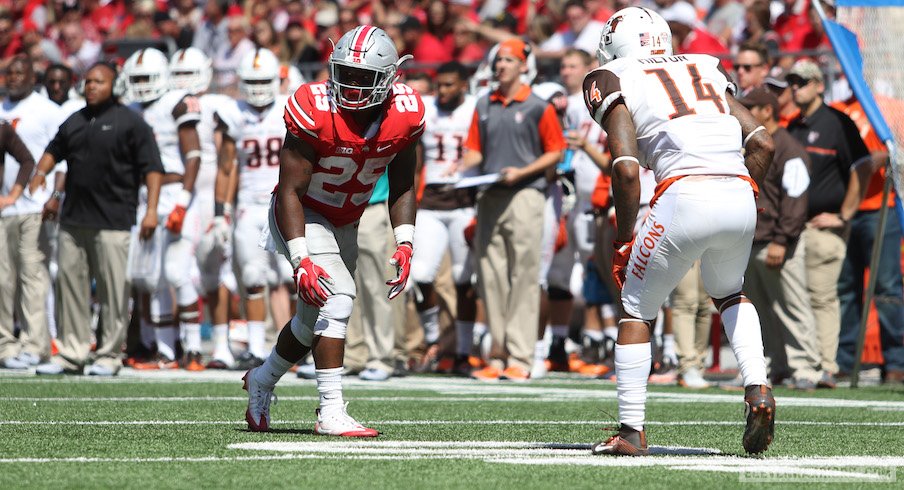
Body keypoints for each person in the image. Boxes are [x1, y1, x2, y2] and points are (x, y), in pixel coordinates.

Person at [583, 7, 775, 455]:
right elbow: (762, 142)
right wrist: (744, 197)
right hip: (737, 188)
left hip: (682, 192)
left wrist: (625, 239)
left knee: (635, 308)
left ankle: (631, 432)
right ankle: (758, 388)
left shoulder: (609, 76)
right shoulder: (704, 64)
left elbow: (627, 169)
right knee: (729, 293)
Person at [242, 25, 424, 436]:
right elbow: (289, 190)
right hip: (301, 213)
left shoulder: (405, 115)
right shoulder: (313, 107)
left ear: (390, 78)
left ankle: (261, 380)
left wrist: (405, 241)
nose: (353, 86)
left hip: (347, 218)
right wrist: (301, 257)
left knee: (311, 325)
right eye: (347, 73)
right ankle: (330, 411)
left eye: (365, 78)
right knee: (338, 298)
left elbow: (404, 182)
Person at [30, 61, 163, 375]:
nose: (91, 87)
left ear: (115, 86)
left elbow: (152, 169)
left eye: (98, 82)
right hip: (74, 218)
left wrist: (153, 210)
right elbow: (54, 149)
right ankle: (71, 354)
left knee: (113, 291)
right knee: (70, 287)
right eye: (88, 81)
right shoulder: (75, 120)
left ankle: (108, 354)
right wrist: (40, 172)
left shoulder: (132, 123)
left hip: (113, 219)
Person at [457, 37, 567, 381]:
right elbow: (474, 150)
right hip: (490, 193)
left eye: (507, 60)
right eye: (498, 60)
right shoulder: (483, 104)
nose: (500, 66)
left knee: (523, 274)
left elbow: (556, 151)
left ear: (523, 66)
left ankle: (520, 355)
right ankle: (498, 354)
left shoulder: (537, 105)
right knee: (490, 275)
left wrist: (523, 171)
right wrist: (457, 169)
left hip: (525, 194)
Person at [785, 59, 873, 388]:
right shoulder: (794, 125)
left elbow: (863, 166)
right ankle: (804, 364)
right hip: (798, 225)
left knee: (821, 296)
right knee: (798, 298)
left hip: (825, 226)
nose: (796, 87)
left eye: (803, 81)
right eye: (793, 81)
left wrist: (844, 215)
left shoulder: (838, 122)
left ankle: (825, 365)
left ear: (820, 85)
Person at [122, 48, 205, 371]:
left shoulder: (177, 102)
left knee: (175, 272)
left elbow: (194, 156)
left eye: (146, 78)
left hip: (175, 191)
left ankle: (195, 349)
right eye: (137, 79)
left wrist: (183, 202)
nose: (141, 85)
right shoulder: (130, 109)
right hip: (144, 195)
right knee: (151, 278)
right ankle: (166, 351)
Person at [214, 47, 294, 370]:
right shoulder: (234, 112)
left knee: (294, 277)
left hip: (284, 201)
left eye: (264, 80)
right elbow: (226, 166)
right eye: (252, 81)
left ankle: (297, 348)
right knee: (251, 276)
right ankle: (259, 349)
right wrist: (221, 212)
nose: (259, 88)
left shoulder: (289, 108)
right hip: (249, 202)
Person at [738, 87, 821, 390]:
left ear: (766, 111)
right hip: (753, 240)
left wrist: (782, 240)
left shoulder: (789, 148)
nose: (742, 114)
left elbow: (796, 199)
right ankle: (776, 366)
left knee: (792, 306)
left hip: (776, 242)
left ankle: (806, 367)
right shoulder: (750, 146)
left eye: (749, 108)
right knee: (759, 312)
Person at [169, 46, 238, 370]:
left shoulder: (217, 106)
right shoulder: (168, 104)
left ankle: (222, 346)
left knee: (214, 273)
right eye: (178, 74)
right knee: (177, 272)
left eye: (188, 74)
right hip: (181, 195)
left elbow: (227, 161)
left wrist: (223, 209)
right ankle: (185, 345)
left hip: (209, 196)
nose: (183, 81)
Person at [411, 61, 478, 377]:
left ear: (464, 84)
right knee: (421, 274)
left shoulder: (476, 109)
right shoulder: (426, 108)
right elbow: (416, 157)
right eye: (440, 85)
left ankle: (463, 352)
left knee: (464, 280)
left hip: (464, 200)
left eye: (450, 85)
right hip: (433, 199)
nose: (442, 91)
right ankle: (434, 340)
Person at [0, 55, 65, 370]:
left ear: (32, 76)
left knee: (32, 276)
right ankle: (5, 345)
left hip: (33, 205)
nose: (13, 77)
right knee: (2, 280)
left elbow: (61, 158)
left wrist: (55, 196)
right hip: (3, 208)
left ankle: (36, 344)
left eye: (19, 72)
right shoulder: (1, 109)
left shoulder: (48, 110)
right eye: (8, 72)